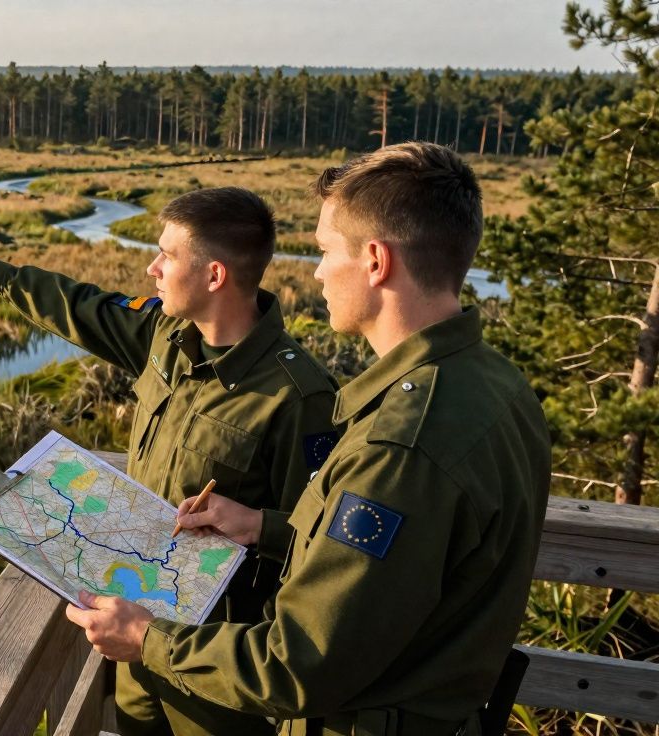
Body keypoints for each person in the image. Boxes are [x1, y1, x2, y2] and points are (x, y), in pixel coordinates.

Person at [64, 142, 552, 736]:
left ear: (376, 261)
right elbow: (405, 567)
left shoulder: (399, 448)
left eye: (325, 251)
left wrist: (146, 639)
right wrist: (263, 527)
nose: (316, 270)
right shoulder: (495, 383)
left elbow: (295, 666)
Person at [0, 186, 339, 736]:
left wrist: (259, 527)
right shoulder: (165, 334)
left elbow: (321, 544)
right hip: (134, 648)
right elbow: (81, 306)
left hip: (211, 666)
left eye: (167, 255)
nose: (150, 267)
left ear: (214, 276)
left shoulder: (300, 397)